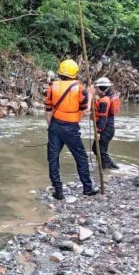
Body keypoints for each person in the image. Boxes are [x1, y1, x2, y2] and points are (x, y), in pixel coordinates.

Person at [45, 59, 99, 199]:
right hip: (71, 128)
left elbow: (48, 109)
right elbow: (85, 110)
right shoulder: (80, 88)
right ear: (75, 73)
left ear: (60, 72)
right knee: (81, 157)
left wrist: (50, 127)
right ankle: (87, 188)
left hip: (55, 127)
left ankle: (58, 191)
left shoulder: (52, 86)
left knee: (53, 159)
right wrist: (91, 94)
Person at [92, 77, 121, 169]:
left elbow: (103, 117)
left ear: (101, 89)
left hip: (105, 129)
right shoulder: (106, 98)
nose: (96, 90)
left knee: (100, 151)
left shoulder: (104, 101)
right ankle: (108, 167)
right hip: (108, 129)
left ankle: (110, 168)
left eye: (97, 88)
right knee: (96, 149)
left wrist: (99, 132)